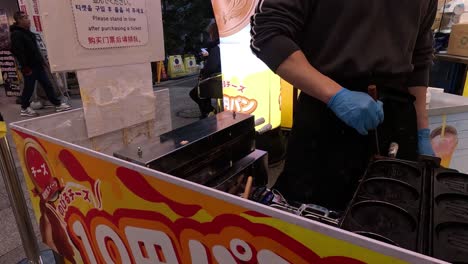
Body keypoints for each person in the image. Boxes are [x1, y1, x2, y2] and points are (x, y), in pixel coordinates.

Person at [251, 0, 436, 210]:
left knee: (392, 217)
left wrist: (422, 129)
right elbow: (267, 33)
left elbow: (420, 54)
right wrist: (336, 95)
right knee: (311, 225)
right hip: (328, 113)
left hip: (397, 117)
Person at [10, 12, 71, 117]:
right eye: (25, 18)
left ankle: (57, 104)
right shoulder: (16, 34)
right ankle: (24, 108)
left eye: (28, 17)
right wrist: (25, 67)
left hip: (38, 65)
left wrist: (43, 62)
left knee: (47, 85)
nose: (28, 20)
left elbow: (35, 51)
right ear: (19, 20)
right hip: (29, 67)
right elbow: (19, 52)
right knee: (29, 88)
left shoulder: (28, 33)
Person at [189, 23, 221, 118]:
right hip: (224, 78)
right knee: (202, 90)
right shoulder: (221, 45)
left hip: (218, 80)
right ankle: (209, 111)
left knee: (196, 92)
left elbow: (211, 68)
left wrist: (203, 74)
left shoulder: (216, 47)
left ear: (214, 33)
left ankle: (209, 112)